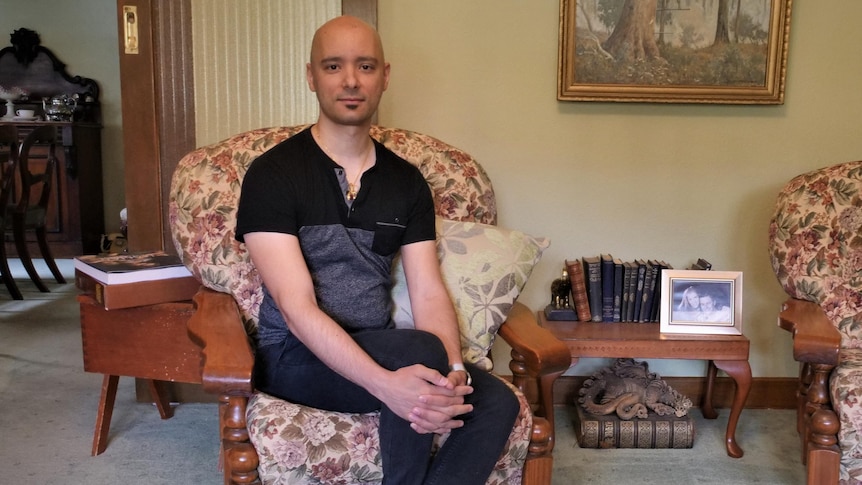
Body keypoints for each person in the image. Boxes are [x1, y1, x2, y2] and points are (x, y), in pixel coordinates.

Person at [234, 15, 519, 485]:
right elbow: (296, 306)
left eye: (365, 66)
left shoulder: (406, 181)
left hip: (382, 344)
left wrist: (453, 373)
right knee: (420, 354)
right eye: (333, 66)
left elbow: (428, 292)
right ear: (311, 76)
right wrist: (388, 386)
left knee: (495, 400)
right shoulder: (273, 174)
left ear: (385, 76)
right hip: (293, 354)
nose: (350, 80)